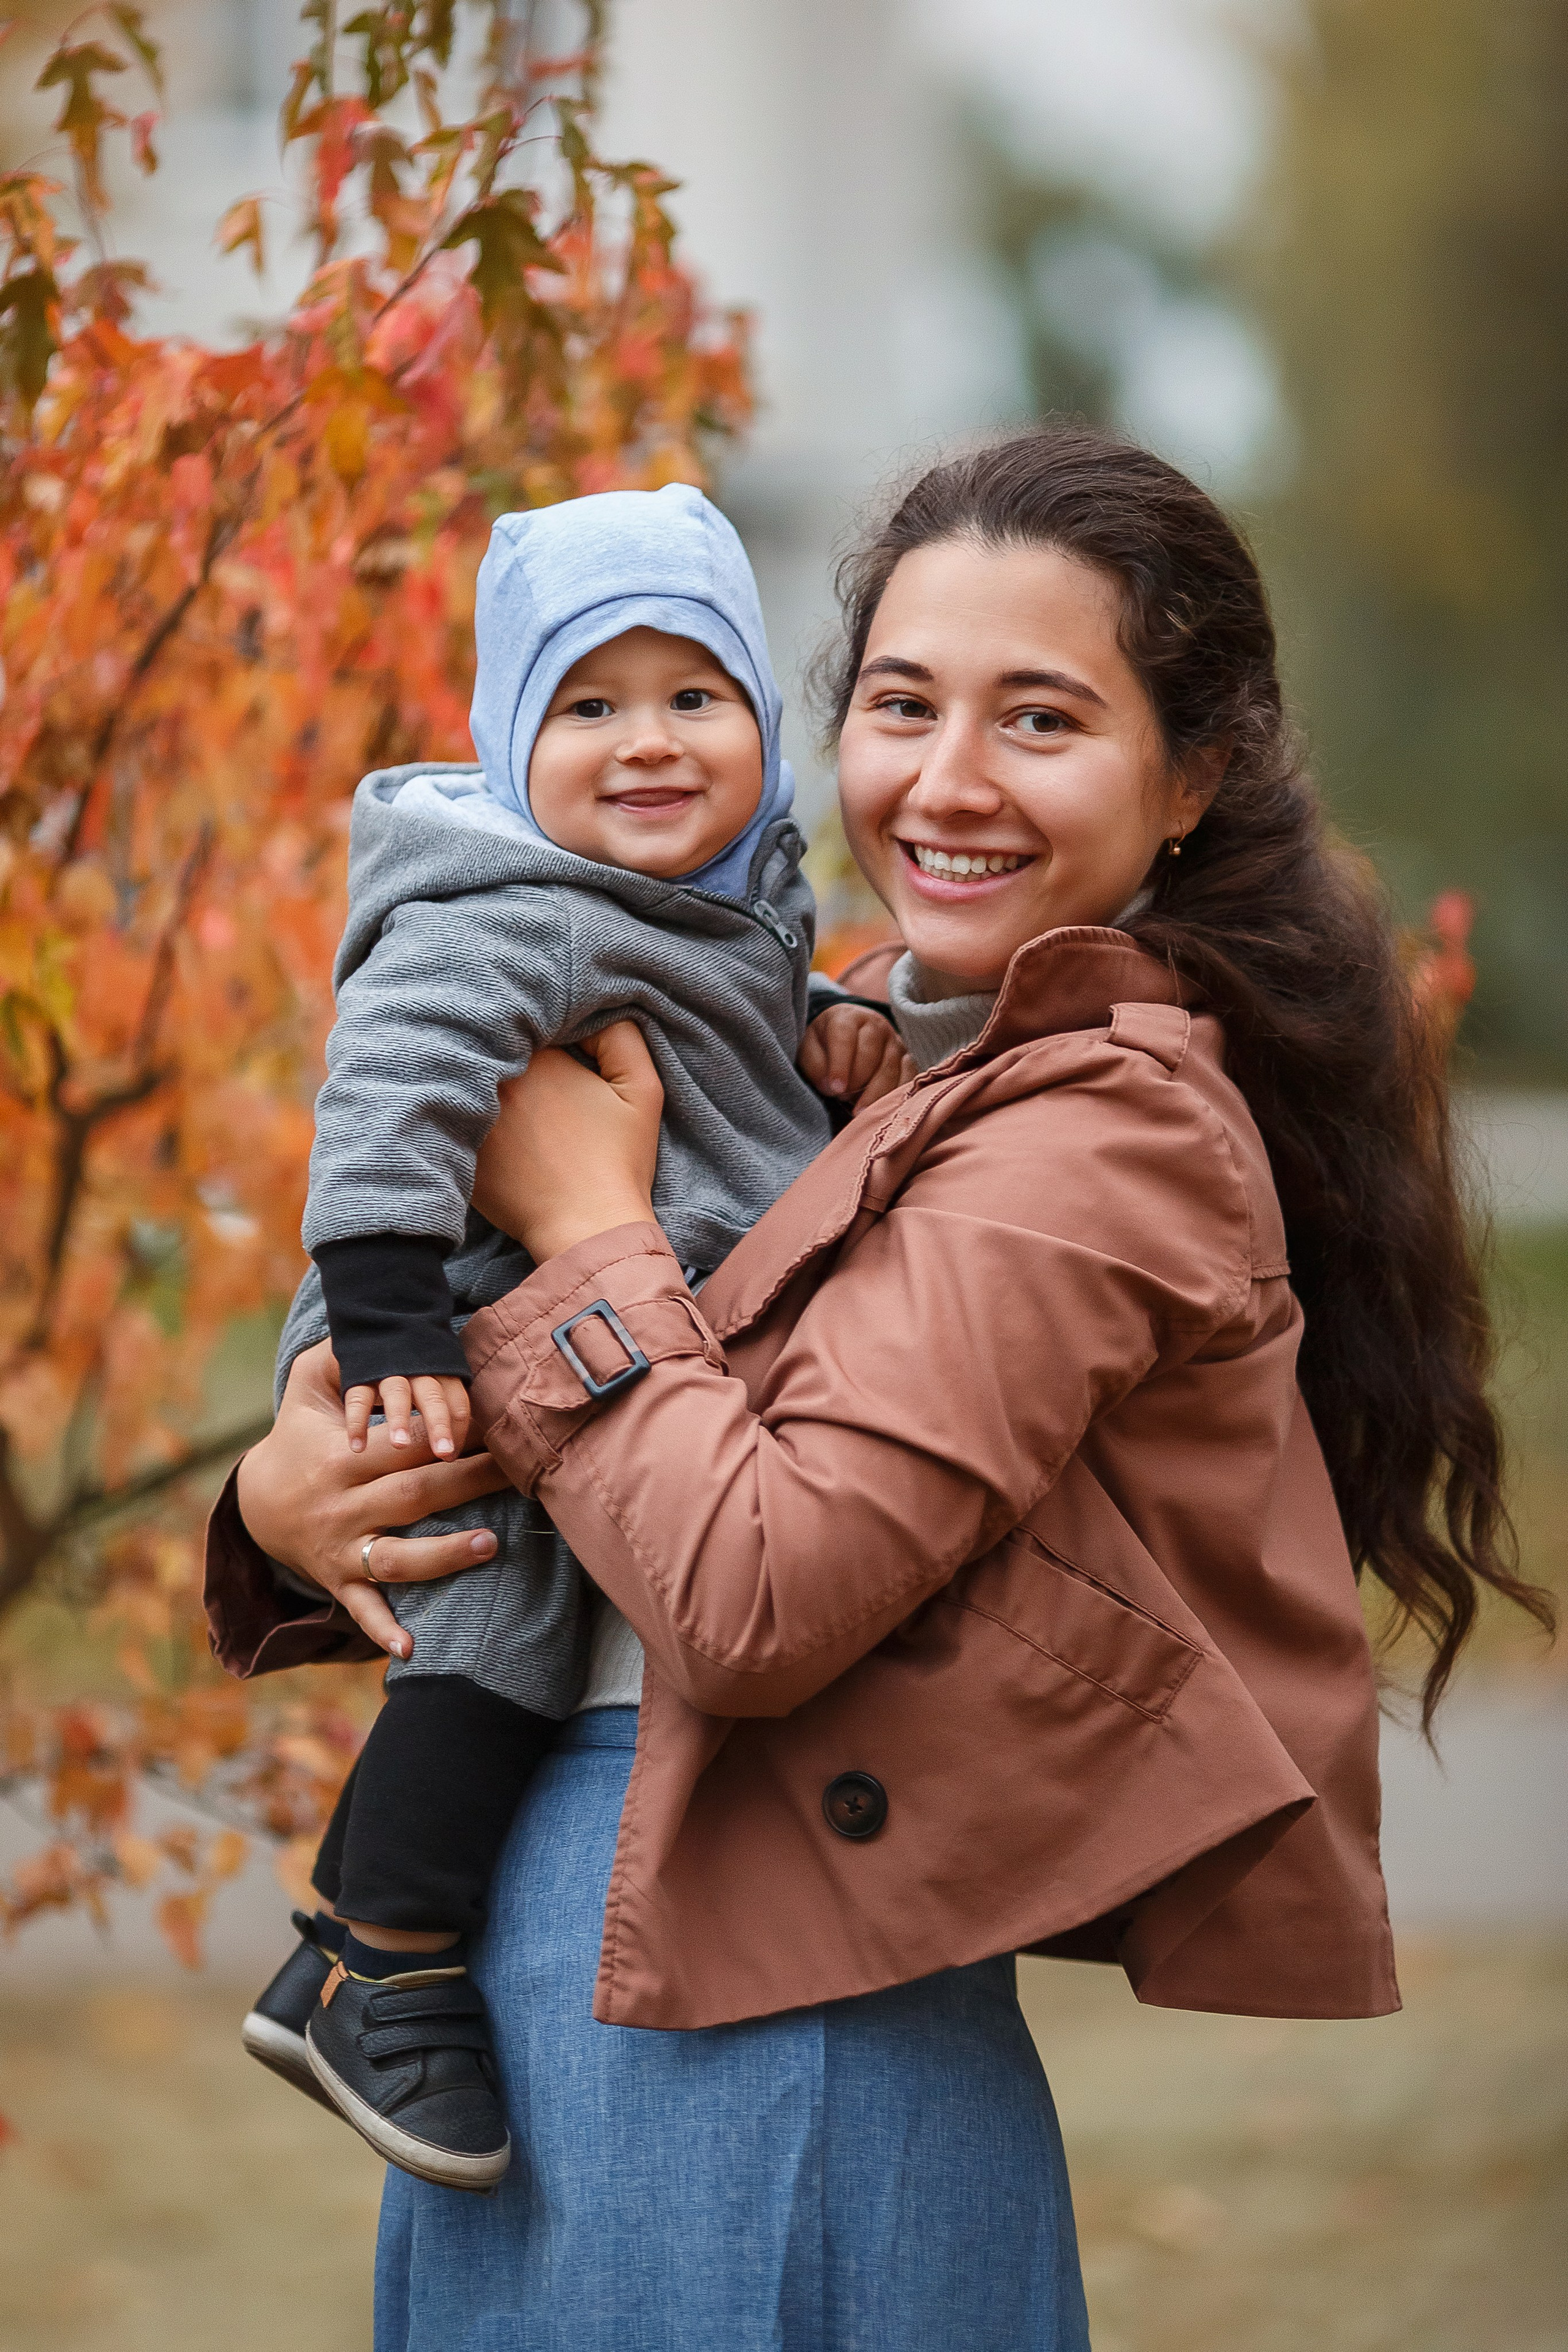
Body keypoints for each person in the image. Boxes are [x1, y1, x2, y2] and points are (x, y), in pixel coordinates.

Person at [208, 428, 1550, 2351]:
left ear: (1192, 776)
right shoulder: (861, 1048)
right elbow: (580, 1448)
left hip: (762, 2007)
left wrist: (586, 1227)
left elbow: (755, 1593)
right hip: (574, 1946)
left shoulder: (1102, 1133)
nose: (947, 781)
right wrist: (280, 1503)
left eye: (1043, 720)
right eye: (904, 704)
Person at [238, 482, 910, 2191]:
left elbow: (730, 1053)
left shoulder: (734, 907)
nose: (649, 743)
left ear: (763, 723)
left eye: (696, 697)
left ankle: (359, 1958)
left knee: (529, 1595)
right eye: (587, 706)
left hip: (600, 1331)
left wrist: (826, 1025)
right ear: (509, 741)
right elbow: (392, 1079)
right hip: (464, 1323)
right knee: (508, 1612)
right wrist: (390, 1312)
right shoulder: (515, 907)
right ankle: (376, 1951)